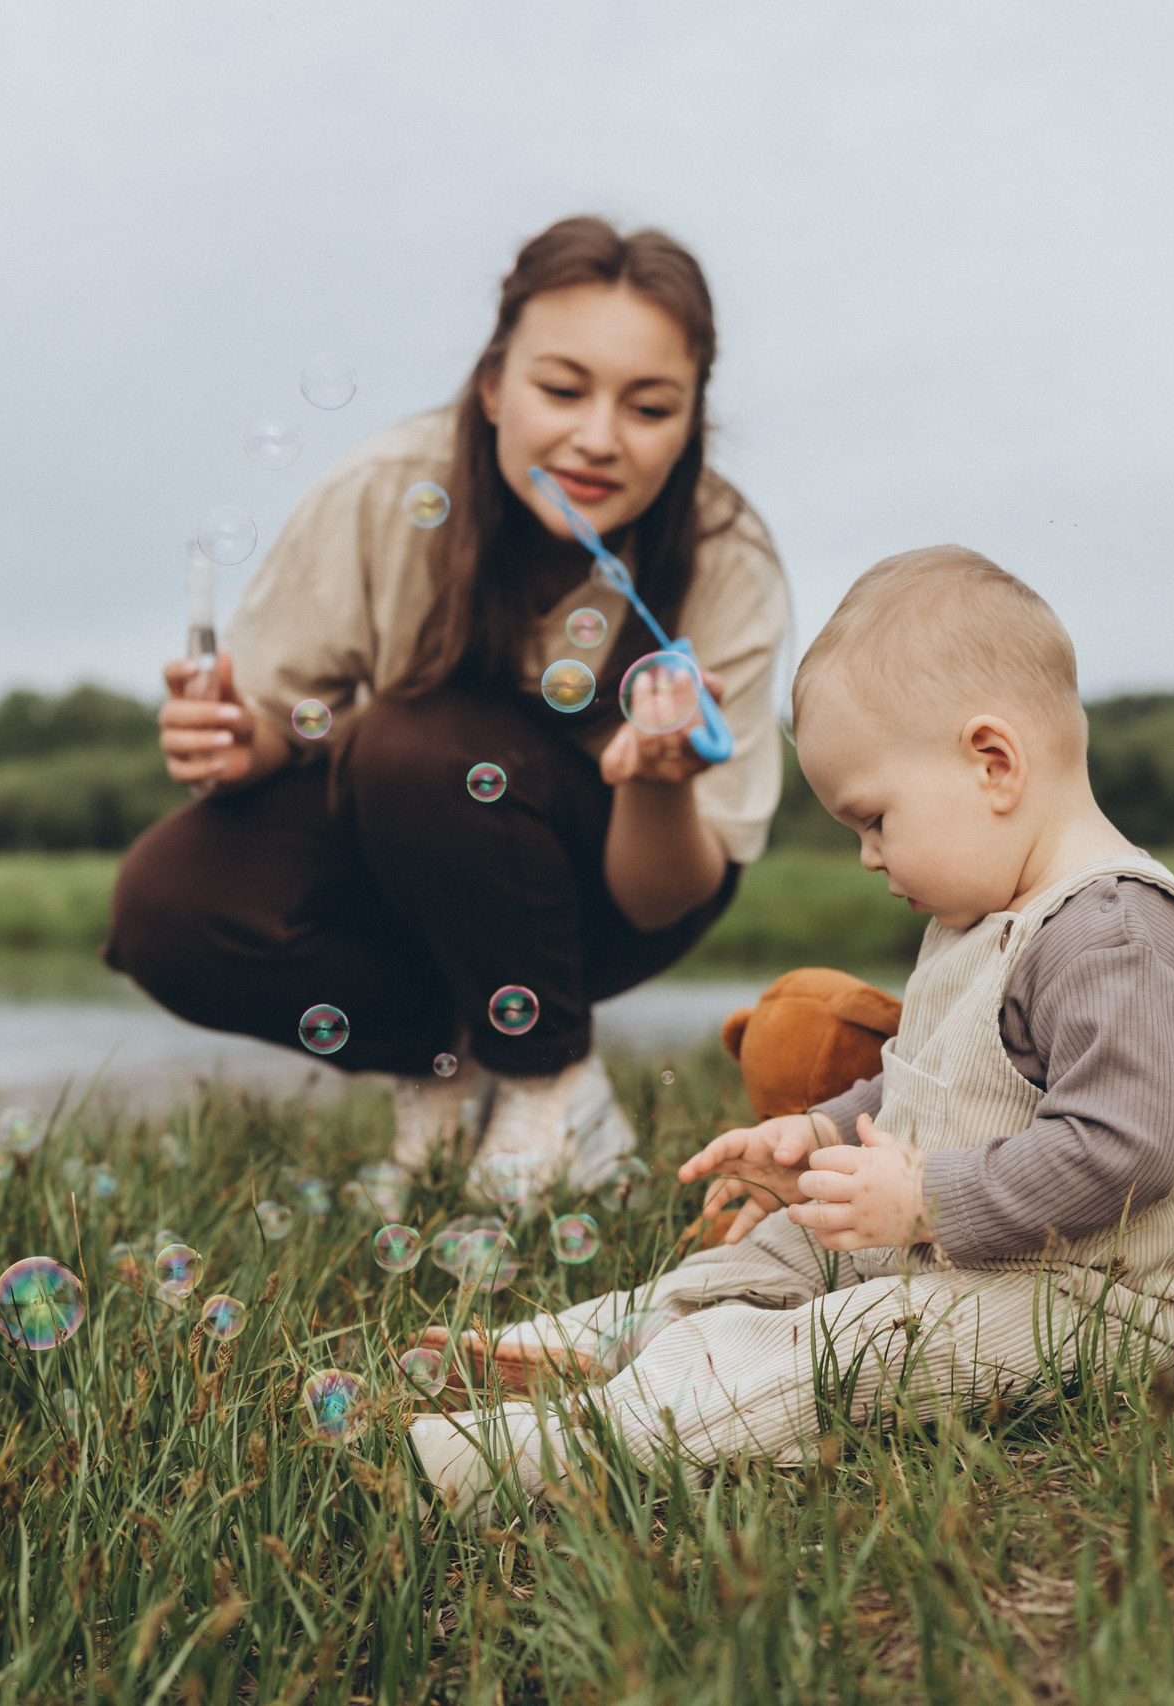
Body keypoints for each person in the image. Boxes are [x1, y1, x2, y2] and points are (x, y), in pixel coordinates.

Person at [407, 547, 1174, 1510]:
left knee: (853, 1341)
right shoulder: (979, 918)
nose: (864, 857)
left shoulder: (1119, 934)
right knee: (787, 1249)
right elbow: (930, 1078)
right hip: (959, 1241)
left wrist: (929, 1200)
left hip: (1094, 1300)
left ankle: (576, 1445)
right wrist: (818, 1136)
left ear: (994, 764)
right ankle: (608, 1340)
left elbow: (1123, 1151)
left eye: (874, 820)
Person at [104, 218, 789, 1179]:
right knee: (168, 905)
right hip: (413, 854)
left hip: (611, 895)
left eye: (649, 407)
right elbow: (280, 718)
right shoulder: (391, 490)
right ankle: (448, 1069)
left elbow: (662, 897)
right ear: (492, 384)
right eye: (561, 389)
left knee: (420, 745)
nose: (596, 438)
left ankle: (556, 1090)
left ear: (693, 420)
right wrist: (229, 740)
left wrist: (660, 781)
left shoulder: (726, 561)